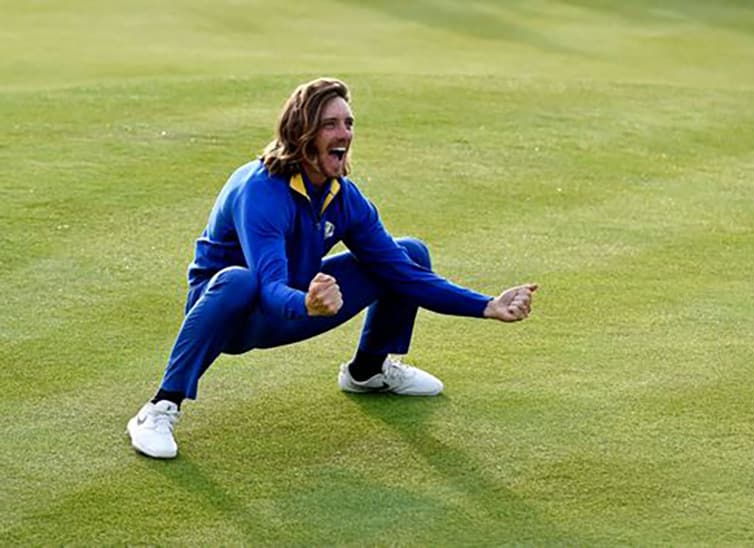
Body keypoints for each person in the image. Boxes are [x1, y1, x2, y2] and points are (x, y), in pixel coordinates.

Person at [127, 77, 538, 459]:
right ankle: (161, 406)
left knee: (409, 253)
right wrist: (307, 301)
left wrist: (486, 306)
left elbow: (404, 274)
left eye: (348, 123)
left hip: (300, 303)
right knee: (239, 279)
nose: (344, 134)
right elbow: (269, 286)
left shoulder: (343, 196)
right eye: (330, 125)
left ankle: (368, 371)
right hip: (232, 316)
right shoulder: (260, 191)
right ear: (301, 134)